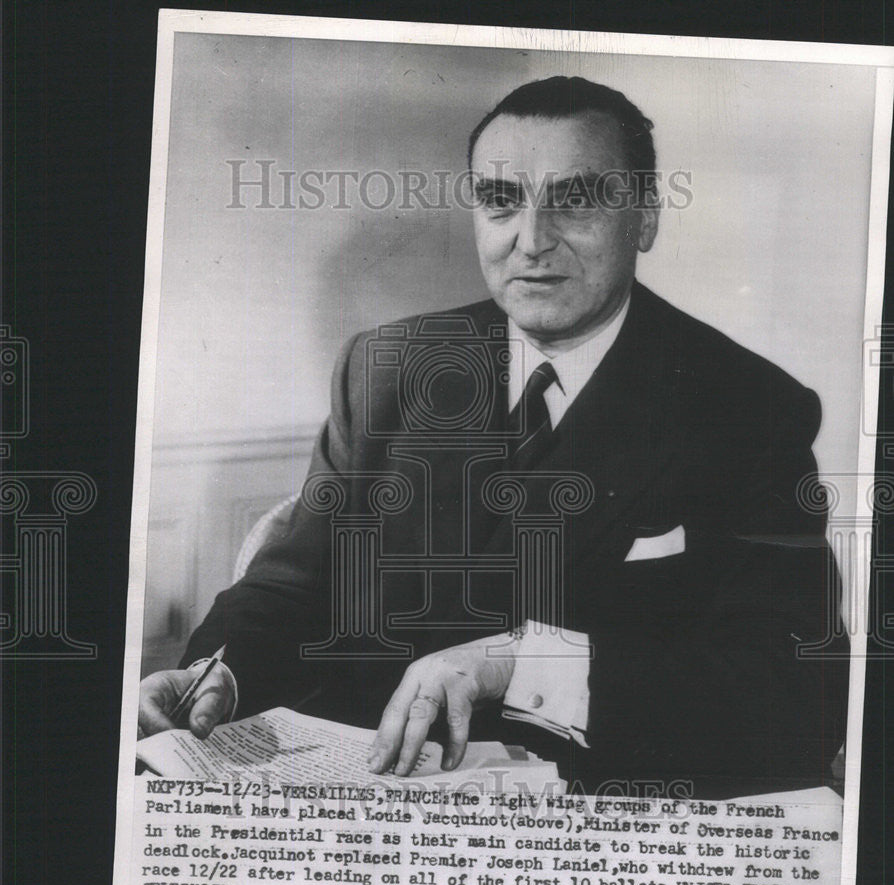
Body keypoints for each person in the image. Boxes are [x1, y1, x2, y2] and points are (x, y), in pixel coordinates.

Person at [139, 76, 848, 798]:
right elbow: (295, 584)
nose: (532, 241)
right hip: (370, 798)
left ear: (644, 220)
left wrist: (524, 665)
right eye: (502, 201)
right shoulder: (388, 367)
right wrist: (218, 674)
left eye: (575, 199)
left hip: (598, 822)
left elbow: (799, 693)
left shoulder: (750, 406)